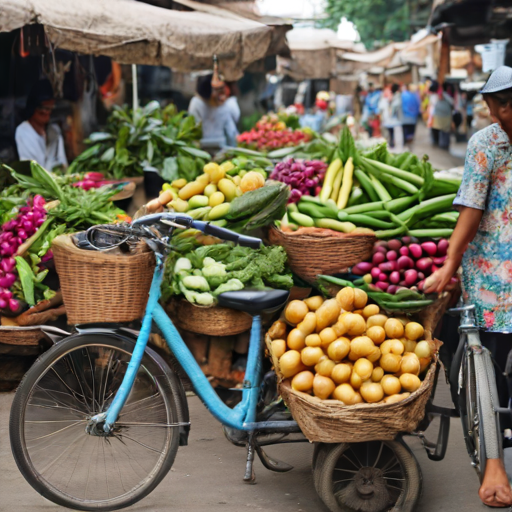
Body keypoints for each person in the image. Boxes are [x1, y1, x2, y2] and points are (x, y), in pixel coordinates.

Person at [425, 66, 512, 508]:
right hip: (493, 275)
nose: (509, 110)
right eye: (503, 103)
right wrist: (449, 265)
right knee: (492, 367)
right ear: (492, 109)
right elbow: (471, 212)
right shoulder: (485, 145)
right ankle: (494, 464)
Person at [15, 79, 68, 170]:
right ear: (33, 108)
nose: (47, 113)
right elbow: (31, 168)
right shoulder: (23, 131)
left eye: (50, 109)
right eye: (43, 109)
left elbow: (63, 163)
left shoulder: (54, 131)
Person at [188, 68, 239, 148]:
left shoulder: (224, 105)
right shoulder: (197, 104)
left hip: (222, 148)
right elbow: (193, 132)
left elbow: (231, 131)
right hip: (201, 149)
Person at [431, 83, 454, 150]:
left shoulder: (446, 96)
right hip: (439, 116)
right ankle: (441, 143)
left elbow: (452, 102)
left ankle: (445, 144)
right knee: (440, 130)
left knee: (446, 131)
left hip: (446, 116)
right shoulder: (436, 97)